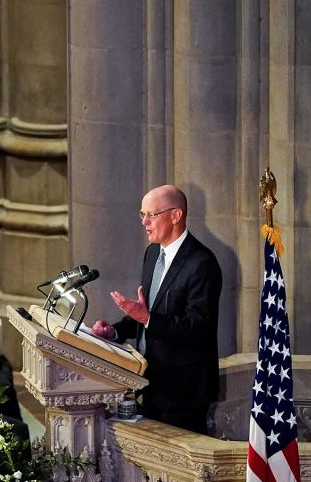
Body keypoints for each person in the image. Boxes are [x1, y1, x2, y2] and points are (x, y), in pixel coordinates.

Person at [90, 184, 222, 433]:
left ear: (175, 216)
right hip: (149, 381)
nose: (144, 222)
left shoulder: (202, 263)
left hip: (183, 392)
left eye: (151, 215)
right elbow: (146, 310)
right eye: (143, 215)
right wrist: (115, 332)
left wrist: (148, 318)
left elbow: (197, 327)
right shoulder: (152, 254)